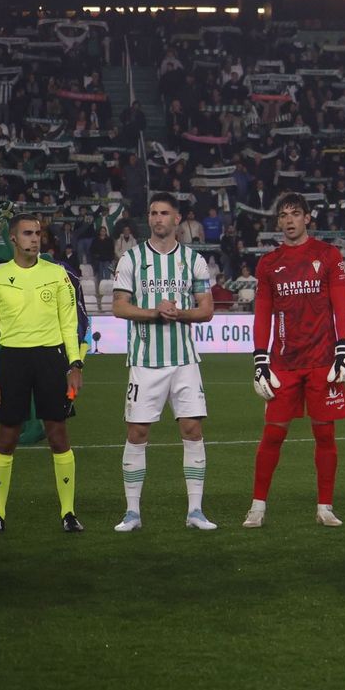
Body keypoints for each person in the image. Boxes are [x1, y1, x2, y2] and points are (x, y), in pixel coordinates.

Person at [245, 193, 345, 528]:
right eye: (283, 215)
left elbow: (341, 304)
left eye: (296, 213)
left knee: (325, 436)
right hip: (284, 364)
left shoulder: (328, 255)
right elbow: (262, 312)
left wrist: (344, 349)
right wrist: (260, 359)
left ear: (307, 218)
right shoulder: (268, 263)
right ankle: (257, 507)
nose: (290, 220)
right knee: (273, 435)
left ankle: (325, 507)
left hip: (323, 363)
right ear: (278, 222)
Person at [110, 193, 218, 532]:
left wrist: (179, 313)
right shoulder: (132, 259)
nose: (157, 219)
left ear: (177, 219)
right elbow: (119, 306)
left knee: (192, 430)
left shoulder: (193, 260)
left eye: (164, 213)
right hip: (145, 361)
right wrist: (155, 313)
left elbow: (207, 310)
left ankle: (195, 511)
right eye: (153, 213)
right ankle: (132, 512)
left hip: (185, 361)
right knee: (138, 431)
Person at [0, 214, 85, 533]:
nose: (34, 238)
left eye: (37, 233)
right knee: (7, 437)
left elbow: (69, 323)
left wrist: (74, 364)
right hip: (11, 361)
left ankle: (68, 513)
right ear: (13, 239)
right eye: (27, 233)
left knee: (58, 434)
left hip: (51, 360)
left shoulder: (57, 275)